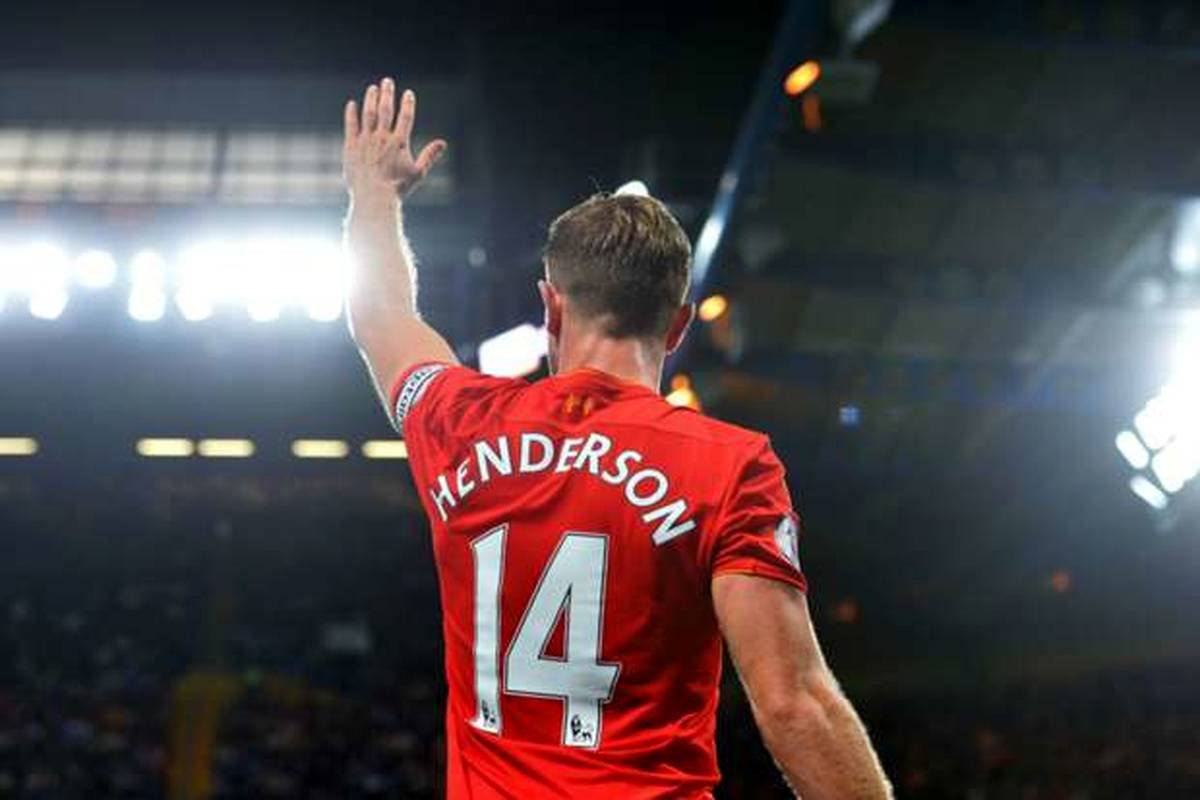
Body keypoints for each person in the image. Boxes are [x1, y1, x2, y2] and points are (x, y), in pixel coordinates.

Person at [342, 77, 892, 800]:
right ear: (679, 324)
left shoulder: (461, 423)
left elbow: (380, 316)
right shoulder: (730, 467)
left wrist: (374, 196)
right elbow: (794, 706)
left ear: (550, 306)